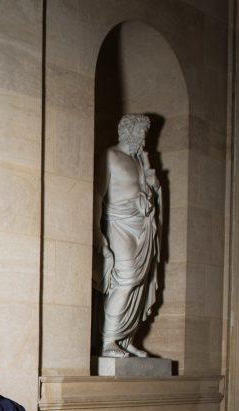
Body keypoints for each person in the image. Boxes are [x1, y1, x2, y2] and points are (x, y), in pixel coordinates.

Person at [93, 113, 162, 357]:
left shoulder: (139, 161)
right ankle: (108, 340)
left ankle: (124, 338)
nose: (143, 141)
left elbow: (148, 192)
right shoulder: (111, 156)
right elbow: (97, 195)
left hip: (142, 226)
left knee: (139, 284)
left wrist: (152, 185)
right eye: (141, 134)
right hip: (118, 224)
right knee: (126, 279)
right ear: (128, 132)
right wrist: (97, 232)